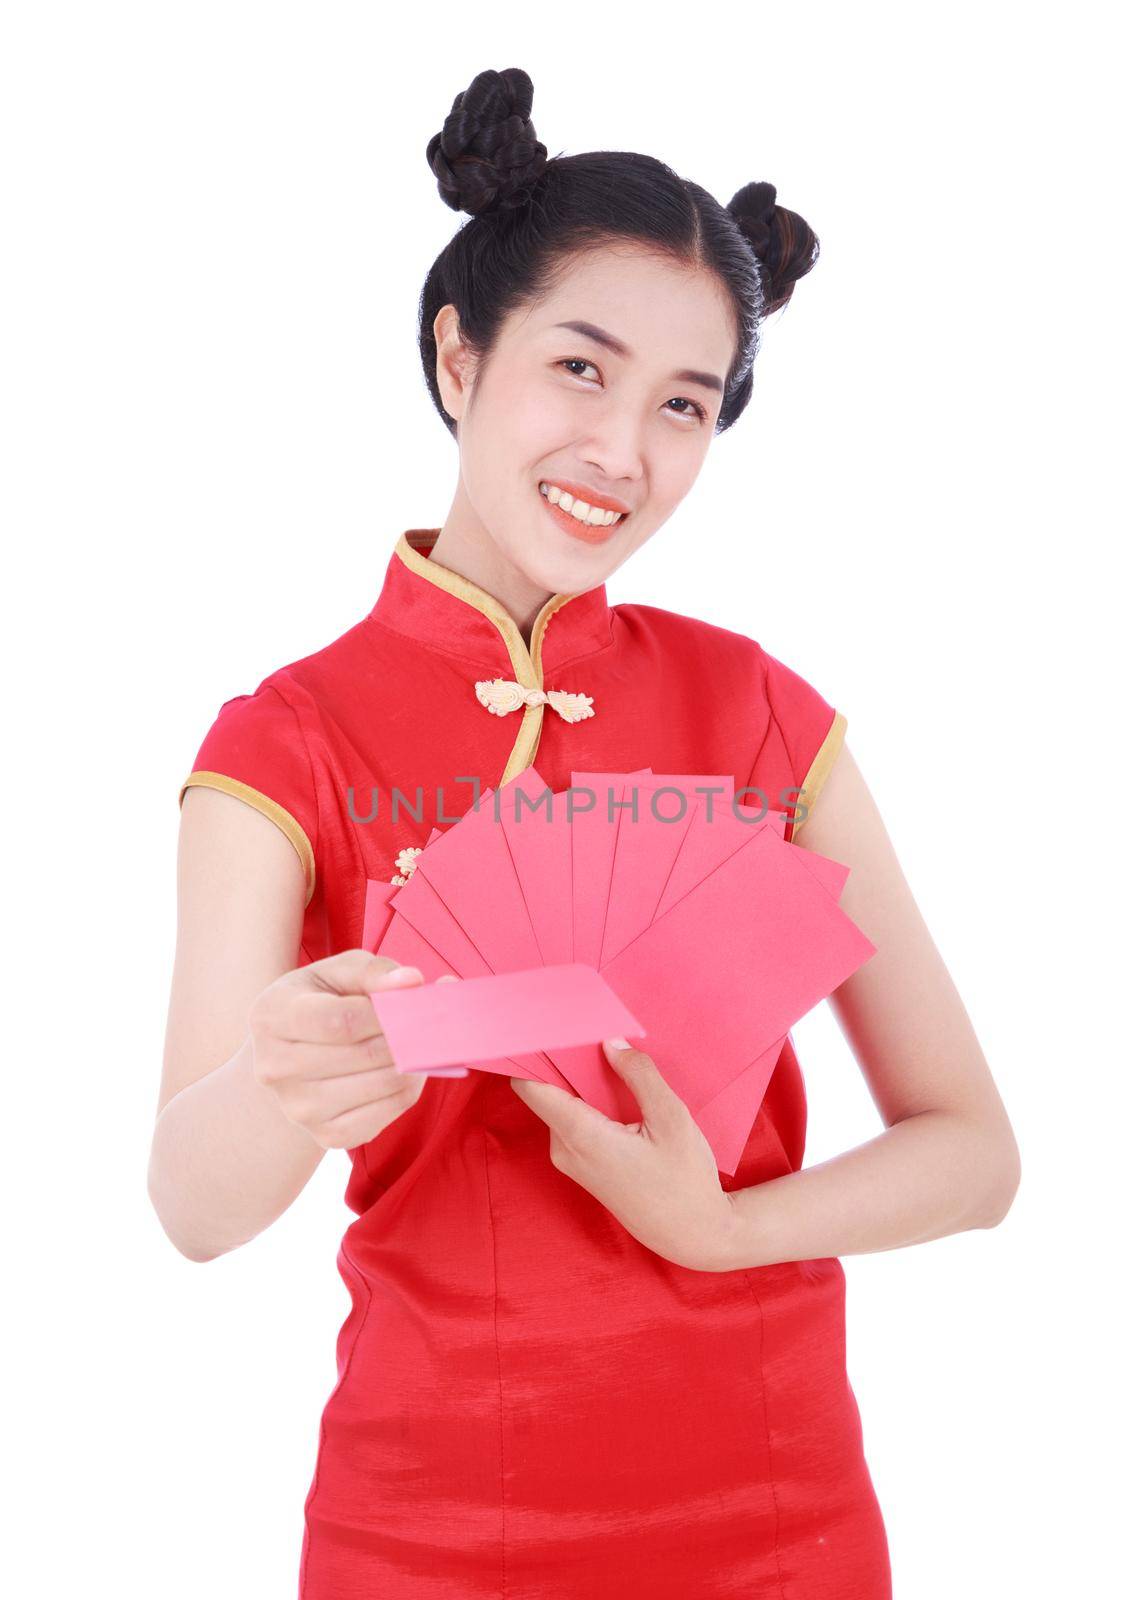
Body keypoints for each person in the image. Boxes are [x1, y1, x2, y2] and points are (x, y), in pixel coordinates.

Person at [148, 65, 1021, 1599]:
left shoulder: (765, 715)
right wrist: (289, 1071)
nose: (622, 450)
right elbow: (195, 1211)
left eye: (683, 405)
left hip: (777, 1510)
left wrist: (720, 1228)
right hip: (431, 1525)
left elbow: (973, 1151)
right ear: (458, 356)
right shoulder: (287, 744)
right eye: (579, 369)